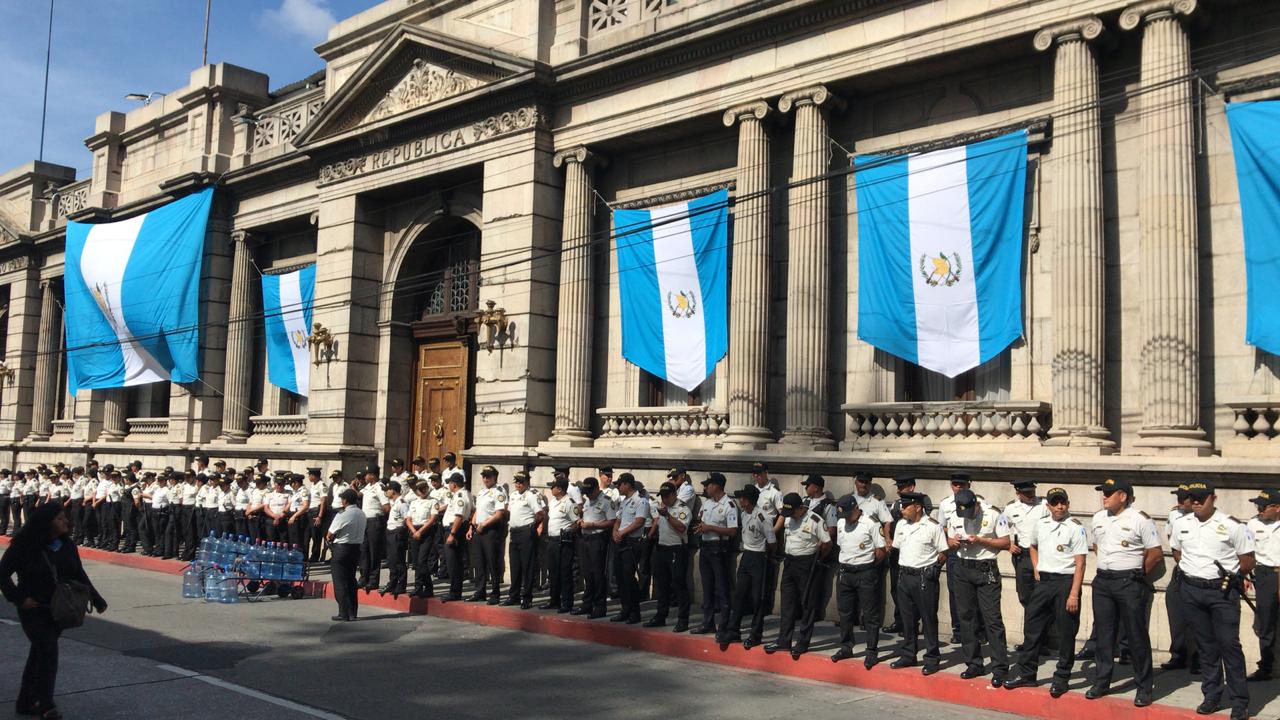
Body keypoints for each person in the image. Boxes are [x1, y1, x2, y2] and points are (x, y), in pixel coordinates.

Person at [1, 501, 108, 720]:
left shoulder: (67, 545)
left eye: (65, 517)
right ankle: (46, 705)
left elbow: (79, 574)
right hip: (33, 607)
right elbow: (2, 574)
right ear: (46, 521)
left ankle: (26, 701)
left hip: (59, 608)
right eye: (59, 518)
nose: (65, 521)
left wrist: (96, 599)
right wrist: (20, 599)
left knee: (39, 653)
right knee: (48, 651)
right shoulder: (24, 545)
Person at [1171, 481, 1255, 720]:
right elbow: (1177, 552)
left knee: (1229, 645)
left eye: (1201, 497)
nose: (1195, 502)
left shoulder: (1231, 525)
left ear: (1213, 498)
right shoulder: (1181, 523)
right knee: (1206, 647)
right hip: (1192, 589)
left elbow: (1248, 558)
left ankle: (1240, 702)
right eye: (1191, 497)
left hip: (1222, 592)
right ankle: (1212, 695)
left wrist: (1234, 574)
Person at [1003, 487, 1088, 697]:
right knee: (1032, 629)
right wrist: (1036, 567)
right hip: (1044, 583)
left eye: (1063, 502)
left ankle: (1061, 678)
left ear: (1068, 504)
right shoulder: (1040, 525)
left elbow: (1081, 563)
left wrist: (1074, 594)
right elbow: (1032, 546)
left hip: (1065, 583)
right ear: (1048, 505)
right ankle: (1027, 674)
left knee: (1067, 632)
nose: (1060, 506)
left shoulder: (1075, 527)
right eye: (1055, 503)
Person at [1085, 477, 1161, 706]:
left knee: (1136, 636)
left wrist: (1137, 574)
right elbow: (1097, 545)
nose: (1104, 496)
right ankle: (1102, 681)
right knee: (1104, 635)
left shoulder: (1140, 520)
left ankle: (1144, 686)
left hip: (1129, 582)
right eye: (1103, 492)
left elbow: (1155, 553)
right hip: (1103, 582)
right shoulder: (1098, 518)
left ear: (1123, 496)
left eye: (1109, 492)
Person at [946, 488, 1012, 686]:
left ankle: (1000, 667)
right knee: (966, 618)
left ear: (976, 504)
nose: (965, 515)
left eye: (969, 511)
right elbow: (949, 540)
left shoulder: (993, 515)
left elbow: (1006, 542)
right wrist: (954, 543)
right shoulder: (953, 515)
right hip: (963, 568)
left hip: (986, 569)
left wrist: (982, 540)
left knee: (992, 619)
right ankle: (974, 662)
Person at [766, 492, 830, 659]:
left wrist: (817, 559)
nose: (790, 516)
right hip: (790, 563)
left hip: (807, 564)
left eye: (792, 512)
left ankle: (802, 642)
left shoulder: (815, 520)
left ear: (801, 508)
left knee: (807, 603)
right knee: (787, 602)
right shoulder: (788, 517)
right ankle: (783, 640)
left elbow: (827, 543)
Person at [891, 491, 947, 675]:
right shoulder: (901, 525)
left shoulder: (932, 526)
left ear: (917, 507)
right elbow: (898, 548)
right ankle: (908, 654)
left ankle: (932, 658)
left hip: (924, 577)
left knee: (928, 618)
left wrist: (934, 569)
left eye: (905, 506)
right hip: (905, 576)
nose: (902, 510)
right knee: (907, 618)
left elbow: (943, 551)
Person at [831, 494, 887, 668]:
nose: (846, 518)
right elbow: (842, 545)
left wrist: (867, 566)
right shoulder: (841, 523)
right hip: (846, 573)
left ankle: (871, 651)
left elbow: (881, 550)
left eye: (848, 513)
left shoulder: (871, 523)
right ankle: (846, 646)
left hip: (865, 572)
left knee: (870, 614)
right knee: (845, 612)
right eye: (843, 515)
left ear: (856, 508)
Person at [722, 483, 775, 648]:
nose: (739, 501)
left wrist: (766, 557)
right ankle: (733, 631)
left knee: (757, 598)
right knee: (739, 595)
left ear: (748, 500)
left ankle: (755, 634)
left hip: (759, 557)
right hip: (746, 556)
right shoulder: (744, 515)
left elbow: (772, 542)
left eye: (742, 498)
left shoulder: (763, 517)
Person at [884, 474, 932, 634]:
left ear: (911, 487)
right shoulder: (897, 504)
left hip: (914, 551)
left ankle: (913, 623)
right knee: (897, 588)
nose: (898, 490)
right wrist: (888, 539)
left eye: (901, 487)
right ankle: (900, 621)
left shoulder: (922, 500)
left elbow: (926, 523)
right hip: (898, 550)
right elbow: (888, 523)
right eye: (897, 487)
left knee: (916, 591)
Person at [693, 472, 737, 635]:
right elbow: (700, 521)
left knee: (722, 587)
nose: (706, 488)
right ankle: (708, 622)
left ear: (716, 486)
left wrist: (710, 528)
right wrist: (701, 528)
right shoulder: (707, 503)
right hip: (705, 547)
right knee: (707, 586)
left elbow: (732, 531)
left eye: (709, 485)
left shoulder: (729, 505)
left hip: (720, 549)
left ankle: (724, 625)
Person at [1163, 483, 1199, 673]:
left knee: (1197, 617)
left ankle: (1198, 657)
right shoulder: (1174, 515)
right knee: (1175, 611)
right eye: (1178, 498)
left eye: (1183, 498)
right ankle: (1178, 654)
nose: (1179, 502)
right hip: (1180, 569)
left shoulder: (1202, 518)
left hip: (1199, 571)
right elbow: (1172, 542)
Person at [646, 481, 691, 631]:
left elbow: (682, 527)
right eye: (662, 496)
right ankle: (660, 615)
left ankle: (683, 619)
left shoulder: (682, 508)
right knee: (661, 585)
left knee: (679, 585)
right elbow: (658, 522)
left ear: (674, 495)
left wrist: (668, 516)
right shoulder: (663, 509)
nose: (664, 499)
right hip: (662, 549)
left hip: (676, 549)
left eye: (667, 496)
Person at [1247, 488, 1280, 681]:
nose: (1259, 509)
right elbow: (1245, 551)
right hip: (1265, 574)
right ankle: (1265, 667)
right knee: (1265, 622)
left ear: (1277, 508)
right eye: (1257, 505)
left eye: (1263, 506)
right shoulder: (1253, 523)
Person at [1004, 480, 1048, 611]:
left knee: (1042, 594)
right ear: (1018, 493)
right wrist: (1008, 544)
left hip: (1042, 554)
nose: (1031, 495)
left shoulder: (1045, 505)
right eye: (1026, 493)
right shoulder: (1011, 508)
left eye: (1032, 491)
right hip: (1022, 556)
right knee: (1025, 595)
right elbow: (1000, 528)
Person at [610, 472, 648, 623]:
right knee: (619, 578)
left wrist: (622, 533)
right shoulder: (624, 501)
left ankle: (634, 612)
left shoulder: (641, 501)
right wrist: (615, 532)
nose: (618, 488)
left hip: (632, 543)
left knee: (629, 578)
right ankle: (625, 609)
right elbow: (618, 519)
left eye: (619, 485)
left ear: (627, 484)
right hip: (621, 541)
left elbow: (639, 521)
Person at [575, 477, 615, 619]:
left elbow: (612, 522)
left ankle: (599, 606)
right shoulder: (587, 502)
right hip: (585, 539)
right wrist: (582, 522)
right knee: (587, 573)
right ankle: (587, 604)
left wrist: (593, 525)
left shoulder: (606, 502)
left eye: (590, 492)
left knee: (598, 574)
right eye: (586, 492)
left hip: (598, 540)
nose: (588, 495)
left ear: (597, 489)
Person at [469, 466, 509, 604]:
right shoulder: (481, 492)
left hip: (491, 530)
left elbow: (499, 514)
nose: (485, 479)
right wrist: (471, 526)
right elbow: (477, 511)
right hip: (478, 529)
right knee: (479, 562)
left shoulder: (499, 491)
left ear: (495, 477)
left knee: (493, 562)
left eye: (489, 476)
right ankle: (480, 591)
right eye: (484, 476)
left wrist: (484, 525)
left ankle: (495, 593)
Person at [800, 475, 838, 622]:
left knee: (814, 585)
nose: (805, 488)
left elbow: (832, 529)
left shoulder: (828, 505)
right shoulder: (804, 502)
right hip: (802, 550)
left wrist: (821, 545)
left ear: (815, 487)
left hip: (817, 552)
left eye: (807, 485)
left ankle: (813, 613)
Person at [505, 471, 545, 609]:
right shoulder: (513, 495)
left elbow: (540, 513)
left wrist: (532, 526)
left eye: (521, 482)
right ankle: (513, 596)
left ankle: (527, 597)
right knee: (515, 565)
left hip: (526, 532)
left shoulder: (531, 495)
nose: (518, 484)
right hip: (514, 532)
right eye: (516, 481)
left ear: (527, 482)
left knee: (527, 566)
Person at [326, 489, 366, 622]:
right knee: (351, 580)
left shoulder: (343, 514)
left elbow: (330, 533)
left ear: (345, 500)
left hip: (342, 548)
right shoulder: (361, 513)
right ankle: (352, 612)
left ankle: (343, 612)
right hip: (355, 549)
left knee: (340, 582)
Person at [749, 462, 782, 615]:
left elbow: (782, 514)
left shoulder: (774, 492)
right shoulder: (752, 490)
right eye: (754, 473)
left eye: (760, 473)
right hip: (752, 537)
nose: (757, 476)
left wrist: (773, 531)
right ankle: (752, 605)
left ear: (766, 473)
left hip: (767, 537)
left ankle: (763, 607)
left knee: (764, 575)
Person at [543, 475, 579, 613]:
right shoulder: (553, 502)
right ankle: (554, 600)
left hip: (563, 541)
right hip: (552, 540)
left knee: (565, 573)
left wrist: (569, 532)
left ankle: (566, 603)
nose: (551, 489)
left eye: (553, 487)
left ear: (560, 489)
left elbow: (577, 522)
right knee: (553, 572)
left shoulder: (569, 502)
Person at [439, 473, 473, 602]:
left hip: (454, 529)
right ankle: (455, 590)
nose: (449, 485)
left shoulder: (460, 496)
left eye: (450, 483)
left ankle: (454, 592)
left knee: (453, 562)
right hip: (457, 528)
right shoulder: (466, 493)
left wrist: (452, 534)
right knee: (456, 561)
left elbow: (459, 516)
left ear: (454, 484)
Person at [357, 467, 390, 592]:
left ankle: (373, 580)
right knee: (364, 550)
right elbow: (359, 495)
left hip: (375, 521)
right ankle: (363, 577)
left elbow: (386, 507)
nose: (364, 477)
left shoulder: (379, 487)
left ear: (373, 475)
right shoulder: (368, 487)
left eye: (367, 475)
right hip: (365, 521)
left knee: (374, 552)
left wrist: (380, 517)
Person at [406, 482, 438, 598]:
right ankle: (418, 587)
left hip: (426, 531)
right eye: (419, 489)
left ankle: (429, 587)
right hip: (414, 531)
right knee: (416, 562)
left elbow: (432, 518)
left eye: (423, 488)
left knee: (422, 561)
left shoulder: (433, 501)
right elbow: (408, 519)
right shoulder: (414, 502)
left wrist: (420, 531)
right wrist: (414, 531)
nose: (421, 491)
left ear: (427, 488)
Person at [381, 481, 409, 597]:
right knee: (392, 560)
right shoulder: (395, 502)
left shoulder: (401, 503)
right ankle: (393, 582)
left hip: (397, 532)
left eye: (388, 490)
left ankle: (401, 585)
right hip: (391, 532)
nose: (386, 492)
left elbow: (407, 518)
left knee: (399, 560)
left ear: (393, 490)